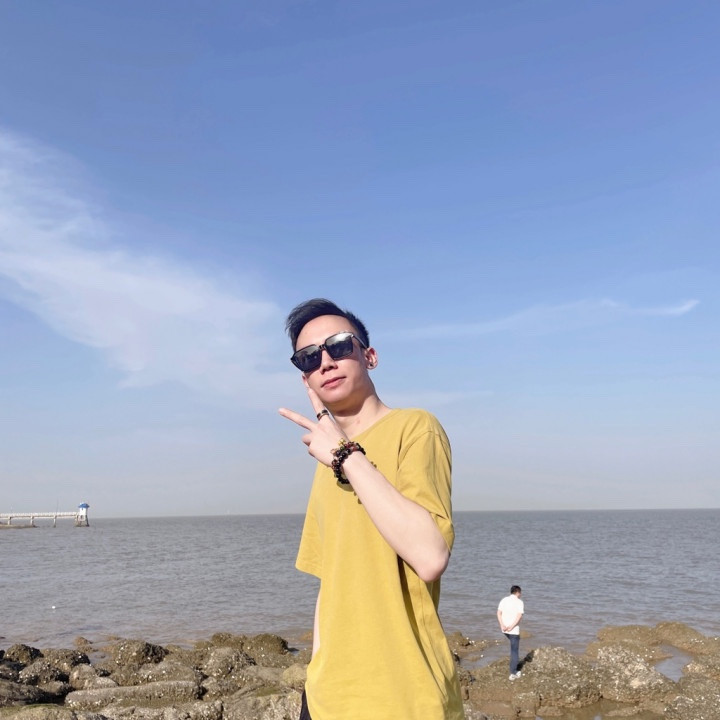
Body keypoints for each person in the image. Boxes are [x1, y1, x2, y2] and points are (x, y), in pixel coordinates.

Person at [279, 298, 464, 720]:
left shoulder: (415, 428)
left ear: (370, 356)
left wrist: (345, 455)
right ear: (305, 378)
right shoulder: (327, 461)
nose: (326, 362)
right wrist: (315, 677)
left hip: (404, 697)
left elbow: (430, 557)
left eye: (339, 346)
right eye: (309, 357)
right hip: (327, 699)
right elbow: (330, 585)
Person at [497, 585, 524, 680]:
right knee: (514, 651)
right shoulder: (519, 602)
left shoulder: (504, 600)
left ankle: (513, 667)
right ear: (518, 592)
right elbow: (519, 616)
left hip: (504, 629)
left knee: (513, 647)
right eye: (520, 593)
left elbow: (498, 613)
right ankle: (513, 672)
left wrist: (502, 625)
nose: (521, 594)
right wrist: (512, 626)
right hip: (513, 631)